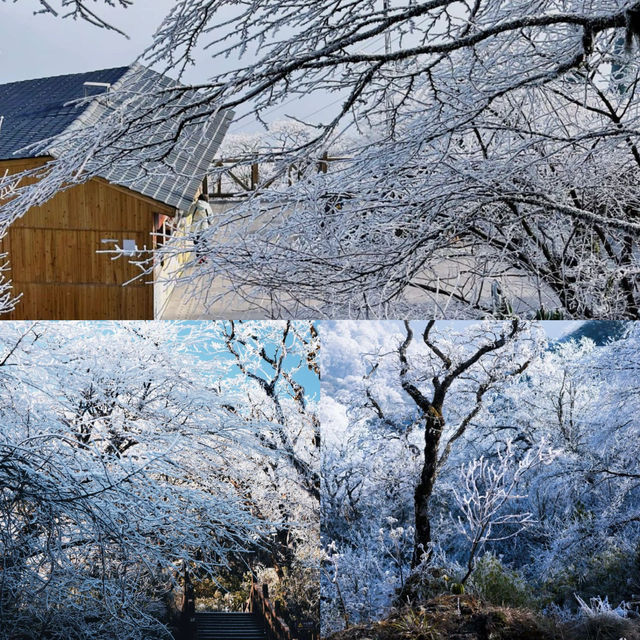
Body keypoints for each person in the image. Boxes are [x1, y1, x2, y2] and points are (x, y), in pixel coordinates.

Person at [186, 193, 213, 262]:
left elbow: (187, 213)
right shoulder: (207, 206)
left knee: (196, 243)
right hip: (204, 227)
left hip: (195, 227)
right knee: (205, 241)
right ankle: (205, 255)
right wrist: (210, 222)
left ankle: (199, 257)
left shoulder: (194, 205)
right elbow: (211, 217)